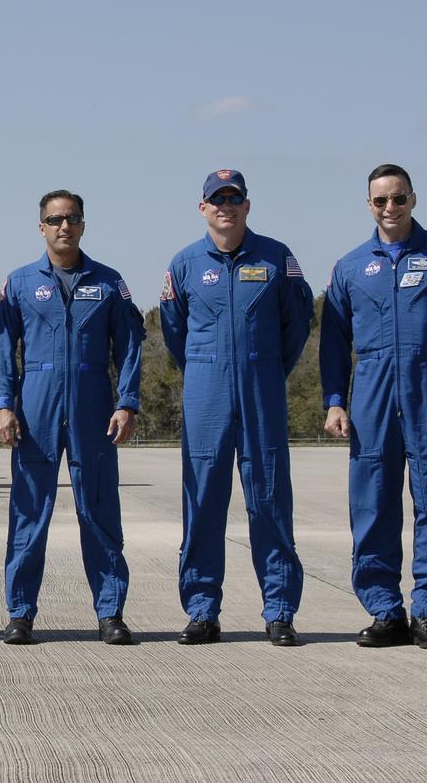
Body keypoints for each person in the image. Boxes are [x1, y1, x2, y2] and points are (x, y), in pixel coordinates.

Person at [320, 163, 427, 651]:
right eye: (380, 201)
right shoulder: (351, 267)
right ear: (368, 205)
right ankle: (384, 611)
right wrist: (335, 400)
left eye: (398, 198)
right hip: (372, 395)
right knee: (372, 504)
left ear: (413, 199)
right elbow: (333, 343)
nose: (390, 208)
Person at [159, 169, 313, 646]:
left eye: (234, 198)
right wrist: (208, 369)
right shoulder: (184, 264)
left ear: (248, 205)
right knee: (202, 499)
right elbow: (173, 330)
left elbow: (298, 322)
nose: (226, 206)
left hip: (261, 384)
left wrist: (266, 368)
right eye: (216, 199)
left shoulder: (276, 258)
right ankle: (203, 611)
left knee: (268, 498)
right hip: (205, 388)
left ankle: (280, 610)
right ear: (202, 207)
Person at [0, 190, 145, 645]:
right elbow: (2, 348)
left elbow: (130, 346)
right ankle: (20, 613)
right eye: (55, 219)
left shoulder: (109, 282)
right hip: (36, 406)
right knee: (29, 513)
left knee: (98, 511)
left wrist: (127, 401)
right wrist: (3, 404)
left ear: (83, 224)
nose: (64, 226)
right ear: (41, 227)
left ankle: (111, 612)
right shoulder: (19, 283)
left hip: (93, 404)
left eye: (72, 218)